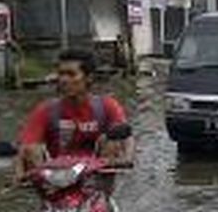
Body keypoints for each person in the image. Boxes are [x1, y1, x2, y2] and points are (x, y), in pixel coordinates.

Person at [14, 49, 135, 181]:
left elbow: (126, 137)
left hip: (95, 175)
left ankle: (102, 190)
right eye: (61, 74)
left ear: (89, 78)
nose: (64, 80)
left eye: (71, 75)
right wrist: (20, 173)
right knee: (31, 149)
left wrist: (127, 158)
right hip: (56, 177)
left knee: (112, 140)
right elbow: (26, 145)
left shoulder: (107, 106)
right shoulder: (45, 110)